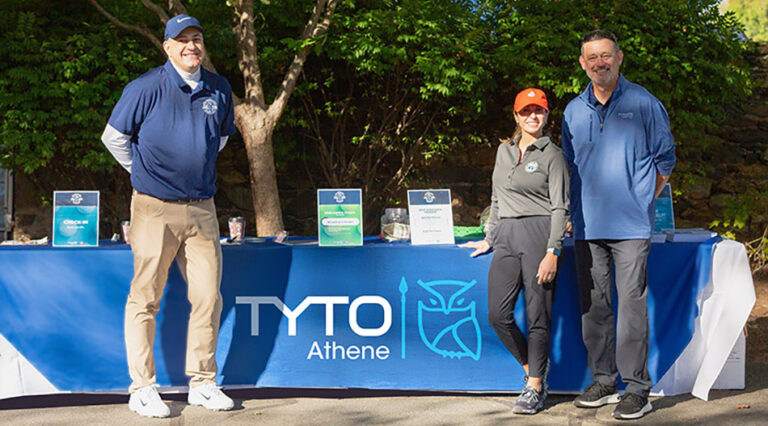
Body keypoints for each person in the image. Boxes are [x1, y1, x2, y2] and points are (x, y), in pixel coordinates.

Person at [101, 14, 237, 418]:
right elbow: (114, 138)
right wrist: (144, 173)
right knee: (145, 298)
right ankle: (142, 388)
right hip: (153, 208)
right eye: (182, 40)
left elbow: (220, 138)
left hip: (202, 208)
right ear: (167, 47)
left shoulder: (219, 87)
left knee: (208, 297)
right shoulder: (145, 87)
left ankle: (203, 383)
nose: (191, 46)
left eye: (197, 38)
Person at [561, 29, 676, 420]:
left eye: (606, 55)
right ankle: (604, 381)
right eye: (592, 57)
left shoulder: (644, 103)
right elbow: (570, 166)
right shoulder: (573, 110)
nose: (600, 63)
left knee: (631, 310)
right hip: (587, 227)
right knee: (595, 308)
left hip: (631, 228)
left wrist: (643, 199)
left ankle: (637, 390)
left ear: (619, 58)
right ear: (583, 63)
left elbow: (665, 160)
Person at [461, 88, 569, 415]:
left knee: (538, 315)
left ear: (547, 115)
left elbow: (560, 207)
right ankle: (532, 368)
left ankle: (534, 386)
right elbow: (497, 199)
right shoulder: (503, 151)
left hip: (539, 234)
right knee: (497, 314)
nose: (532, 116)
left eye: (538, 111)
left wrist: (553, 251)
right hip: (506, 235)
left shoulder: (553, 155)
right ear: (516, 116)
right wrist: (489, 237)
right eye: (526, 111)